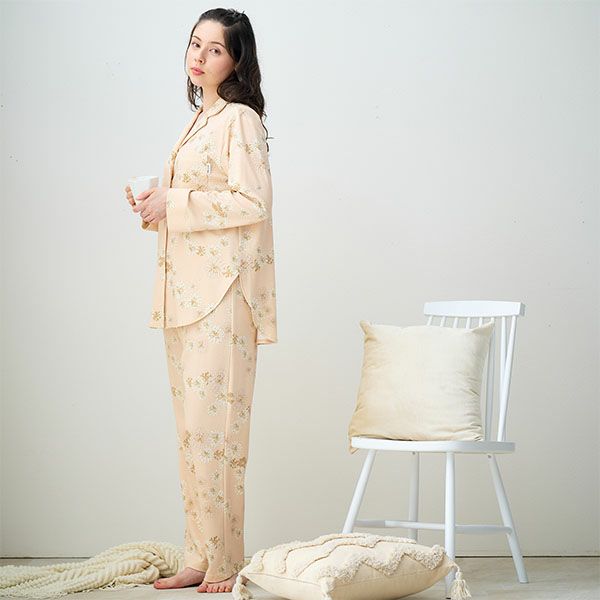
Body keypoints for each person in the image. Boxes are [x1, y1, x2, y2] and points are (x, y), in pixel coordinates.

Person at [124, 8, 277, 594]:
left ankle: (225, 562)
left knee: (219, 437)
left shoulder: (240, 119)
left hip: (223, 297)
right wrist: (155, 207)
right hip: (184, 295)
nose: (200, 56)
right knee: (192, 434)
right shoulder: (198, 120)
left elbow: (253, 202)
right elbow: (200, 204)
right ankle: (198, 554)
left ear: (236, 60)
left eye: (215, 49)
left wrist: (176, 200)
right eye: (195, 44)